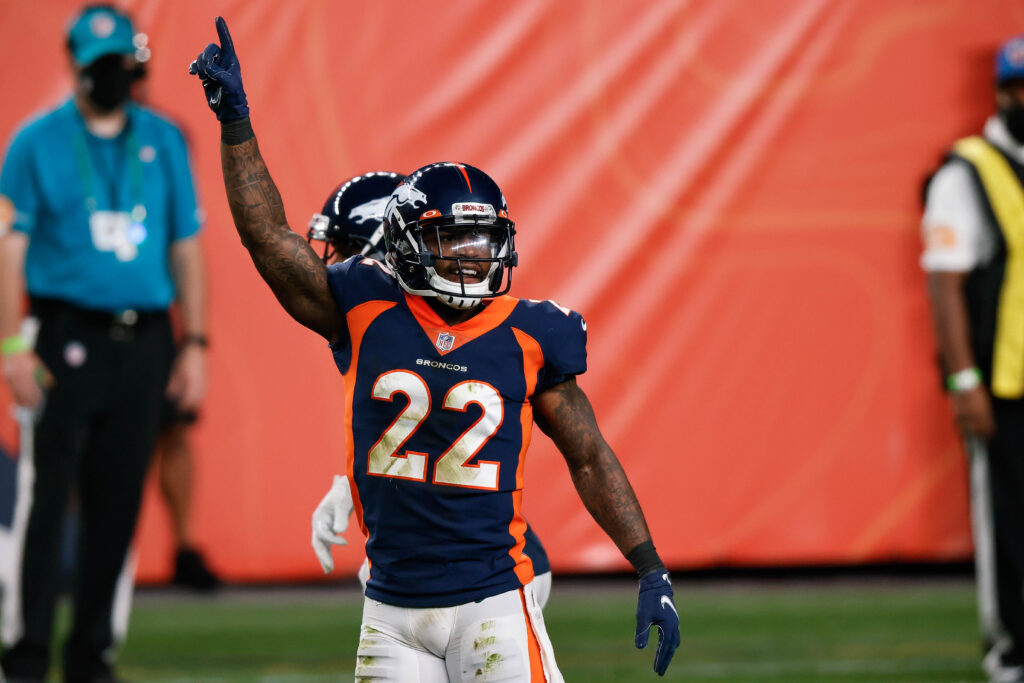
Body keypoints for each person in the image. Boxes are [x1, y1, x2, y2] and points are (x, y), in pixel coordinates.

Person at [190, 16, 678, 680]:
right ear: (408, 243)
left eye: (482, 240)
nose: (473, 258)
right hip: (390, 607)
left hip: (493, 599)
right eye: (454, 239)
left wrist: (649, 566)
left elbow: (589, 454)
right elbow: (268, 238)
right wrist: (237, 125)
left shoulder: (532, 331)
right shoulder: (364, 304)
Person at [0, 5, 207, 682]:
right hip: (63, 332)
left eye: (123, 64)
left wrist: (194, 341)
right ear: (77, 66)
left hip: (143, 336)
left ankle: (91, 654)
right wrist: (12, 347)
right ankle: (27, 651)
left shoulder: (164, 139)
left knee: (118, 501)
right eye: (102, 66)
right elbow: (9, 247)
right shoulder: (36, 141)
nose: (115, 77)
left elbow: (186, 244)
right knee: (47, 498)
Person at [307, 173, 554, 608]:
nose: (333, 264)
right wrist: (352, 483)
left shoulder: (427, 325)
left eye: (345, 250)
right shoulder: (388, 324)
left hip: (489, 577)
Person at [921, 34, 1024, 683]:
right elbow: (944, 282)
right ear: (1002, 92)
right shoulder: (969, 169)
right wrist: (965, 379)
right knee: (1009, 525)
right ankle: (1011, 648)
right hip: (1004, 381)